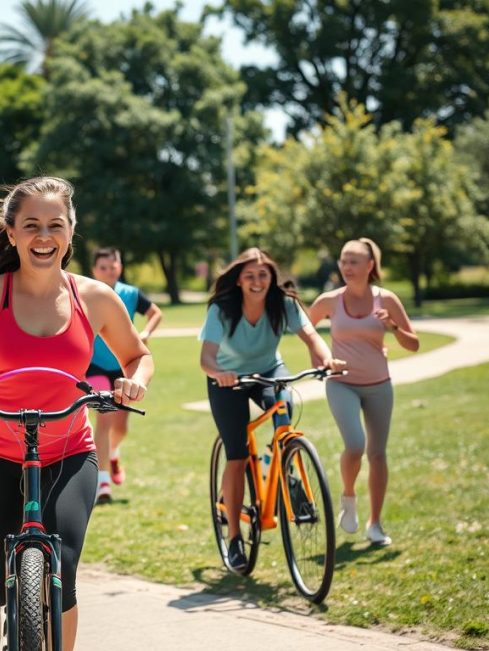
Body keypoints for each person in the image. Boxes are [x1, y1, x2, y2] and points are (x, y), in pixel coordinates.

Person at [0, 177, 153, 651]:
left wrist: (134, 382)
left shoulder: (95, 297)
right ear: (12, 232)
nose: (44, 237)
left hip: (68, 449)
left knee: (61, 563)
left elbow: (138, 355)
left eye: (55, 225)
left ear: (71, 231)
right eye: (32, 225)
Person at [198, 247, 345, 574]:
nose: (256, 281)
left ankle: (288, 471)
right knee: (236, 455)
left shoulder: (284, 304)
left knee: (284, 417)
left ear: (272, 278)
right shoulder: (222, 309)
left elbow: (311, 337)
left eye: (263, 275)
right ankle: (235, 537)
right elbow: (206, 357)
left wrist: (327, 359)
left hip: (268, 371)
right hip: (228, 380)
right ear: (238, 280)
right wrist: (218, 373)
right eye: (249, 275)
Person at [307, 238, 418, 547]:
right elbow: (305, 329)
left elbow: (413, 344)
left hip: (379, 385)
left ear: (370, 266)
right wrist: (318, 359)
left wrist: (393, 328)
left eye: (354, 261)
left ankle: (375, 524)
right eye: (343, 260)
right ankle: (349, 496)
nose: (347, 267)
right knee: (355, 445)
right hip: (341, 383)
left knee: (378, 454)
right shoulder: (329, 300)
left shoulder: (387, 300)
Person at [85, 247, 162, 504]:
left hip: (122, 366)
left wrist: (146, 333)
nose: (108, 271)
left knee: (120, 427)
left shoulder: (130, 293)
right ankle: (102, 483)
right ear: (95, 270)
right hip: (93, 368)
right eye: (103, 267)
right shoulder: (88, 293)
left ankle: (114, 453)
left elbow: (155, 313)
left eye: (113, 266)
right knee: (104, 421)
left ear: (120, 266)